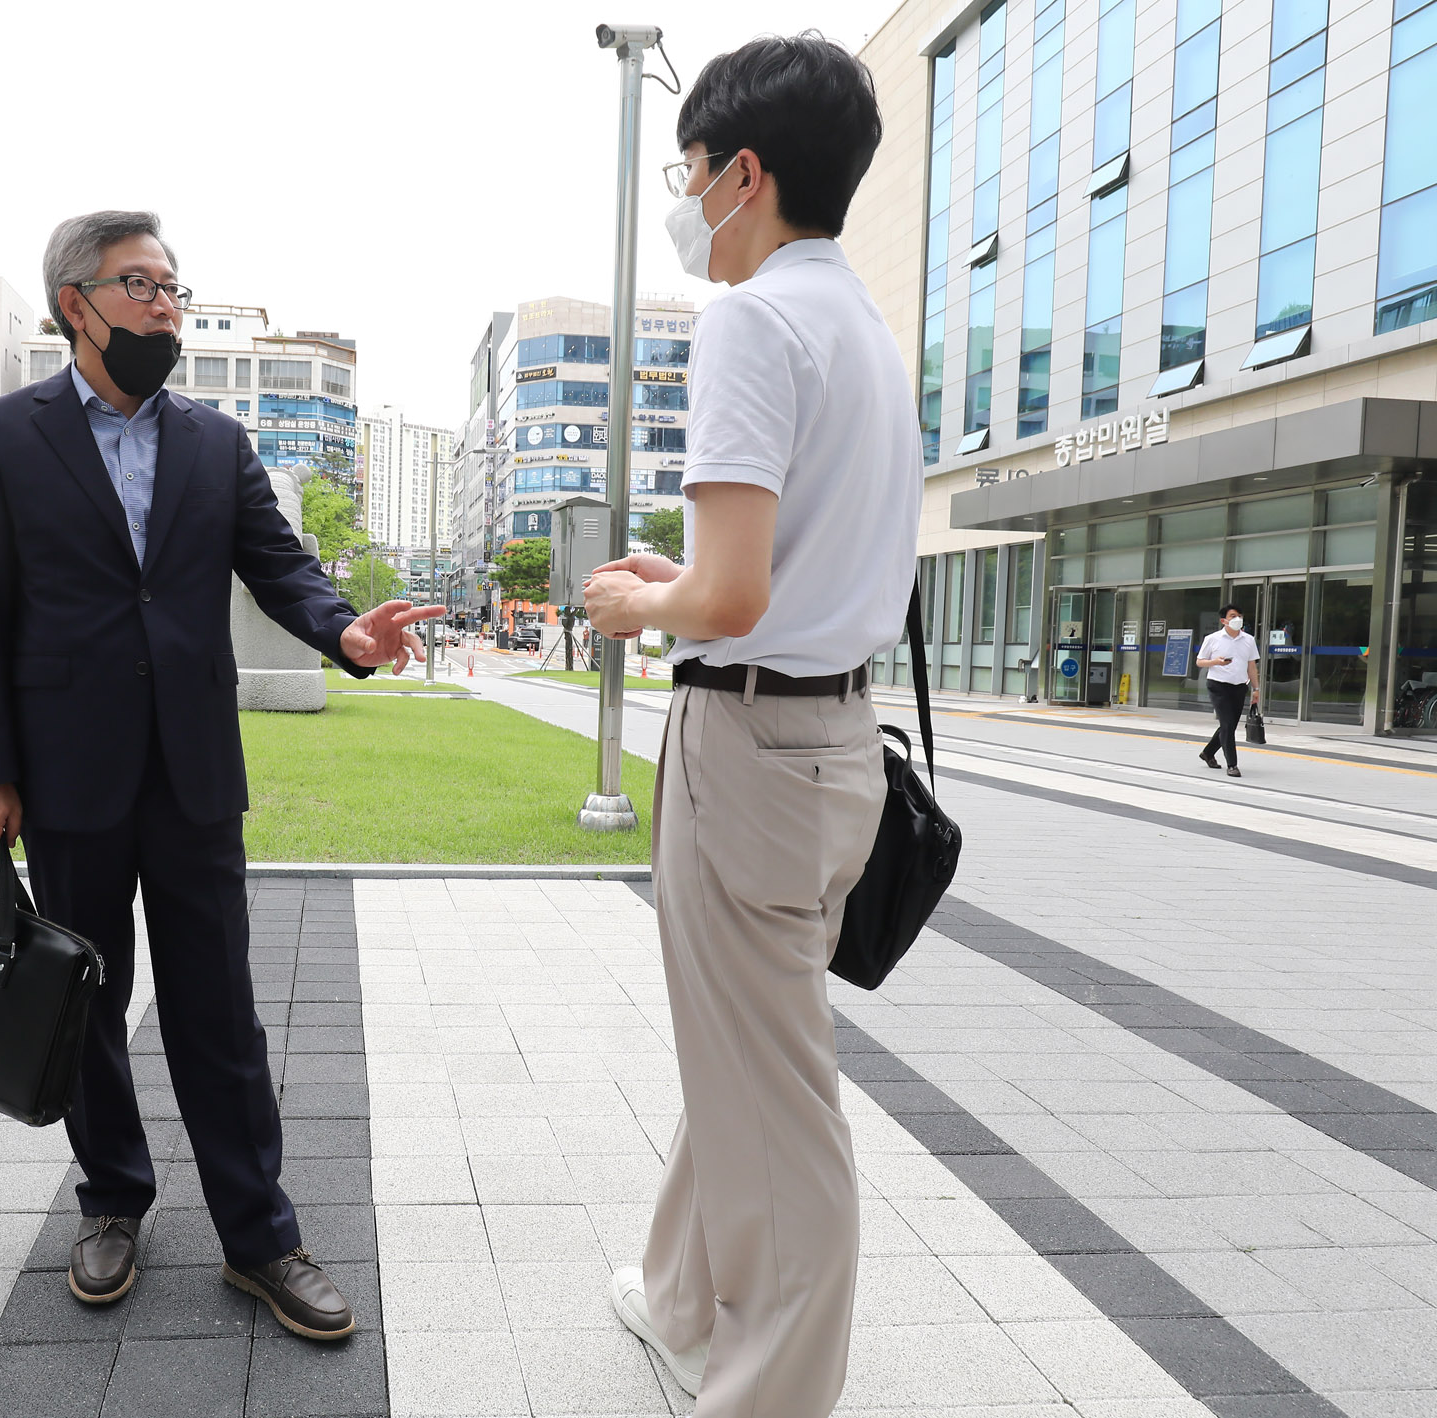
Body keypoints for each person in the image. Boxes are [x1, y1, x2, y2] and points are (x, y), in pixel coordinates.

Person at [0, 210, 439, 1341]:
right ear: (77, 304)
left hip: (194, 772)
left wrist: (344, 634)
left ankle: (260, 1237)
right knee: (87, 1001)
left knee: (220, 1013)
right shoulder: (3, 437)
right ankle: (113, 1199)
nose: (166, 304)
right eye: (141, 285)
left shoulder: (216, 442)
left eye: (173, 285)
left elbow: (279, 566)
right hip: (66, 771)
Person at [582, 34, 917, 1418]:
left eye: (690, 170)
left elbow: (726, 592)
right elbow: (801, 574)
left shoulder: (752, 320)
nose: (686, 198)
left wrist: (630, 599)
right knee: (748, 1044)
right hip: (832, 742)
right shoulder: (860, 322)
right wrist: (691, 594)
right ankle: (677, 1295)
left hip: (755, 752)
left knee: (779, 1103)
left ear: (745, 173)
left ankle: (768, 1391)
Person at [1197, 604, 1259, 777]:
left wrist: (1256, 688)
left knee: (1229, 725)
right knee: (1226, 724)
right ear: (1223, 620)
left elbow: (1252, 666)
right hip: (1218, 685)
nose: (1237, 618)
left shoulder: (1248, 640)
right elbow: (1200, 661)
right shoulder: (1213, 638)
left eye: (1239, 615)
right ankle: (1232, 765)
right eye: (1232, 616)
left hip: (1239, 687)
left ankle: (1208, 753)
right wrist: (1215, 662)